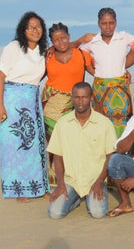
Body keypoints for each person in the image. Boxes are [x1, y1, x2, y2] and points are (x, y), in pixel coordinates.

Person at [0, 11, 50, 202]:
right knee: (15, 147)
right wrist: (0, 106)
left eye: (39, 27)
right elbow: (0, 76)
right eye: (31, 27)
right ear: (23, 30)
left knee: (35, 146)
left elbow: (40, 75)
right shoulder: (14, 47)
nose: (35, 30)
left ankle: (38, 186)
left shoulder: (43, 50)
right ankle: (19, 190)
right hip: (12, 100)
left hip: (32, 100)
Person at [47, 82, 117, 219]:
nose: (80, 101)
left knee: (97, 213)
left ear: (91, 98)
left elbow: (110, 156)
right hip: (71, 180)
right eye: (76, 97)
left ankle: (91, 196)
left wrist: (99, 181)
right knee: (55, 213)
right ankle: (77, 199)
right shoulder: (63, 123)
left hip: (95, 179)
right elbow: (57, 156)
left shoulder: (104, 123)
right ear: (72, 98)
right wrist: (60, 183)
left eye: (84, 97)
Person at [42, 22, 94, 185]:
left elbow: (97, 72)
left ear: (68, 36)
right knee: (53, 142)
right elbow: (35, 76)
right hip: (52, 105)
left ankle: (74, 176)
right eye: (56, 40)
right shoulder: (48, 57)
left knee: (75, 140)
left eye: (63, 38)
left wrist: (123, 72)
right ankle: (53, 179)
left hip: (75, 103)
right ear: (51, 42)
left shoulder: (82, 54)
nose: (61, 42)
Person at [78, 8, 134, 138]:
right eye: (104, 23)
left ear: (116, 22)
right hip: (100, 89)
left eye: (111, 22)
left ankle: (122, 155)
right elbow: (80, 55)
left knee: (123, 120)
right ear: (99, 24)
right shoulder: (93, 41)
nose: (108, 26)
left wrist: (124, 66)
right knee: (100, 122)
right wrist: (93, 71)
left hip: (121, 88)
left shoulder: (123, 37)